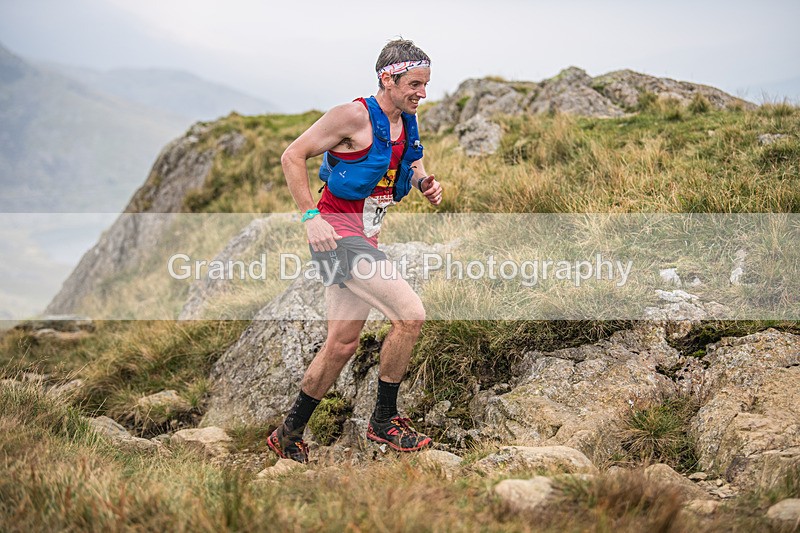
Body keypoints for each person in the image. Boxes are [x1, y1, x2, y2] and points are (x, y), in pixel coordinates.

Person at [268, 38, 443, 463]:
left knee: (342, 344)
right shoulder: (352, 115)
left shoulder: (406, 119)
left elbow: (411, 160)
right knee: (411, 315)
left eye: (426, 84)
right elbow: (292, 155)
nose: (422, 92)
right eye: (415, 84)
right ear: (388, 78)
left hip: (366, 237)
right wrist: (311, 217)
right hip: (337, 236)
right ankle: (384, 421)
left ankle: (288, 433)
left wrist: (423, 182)